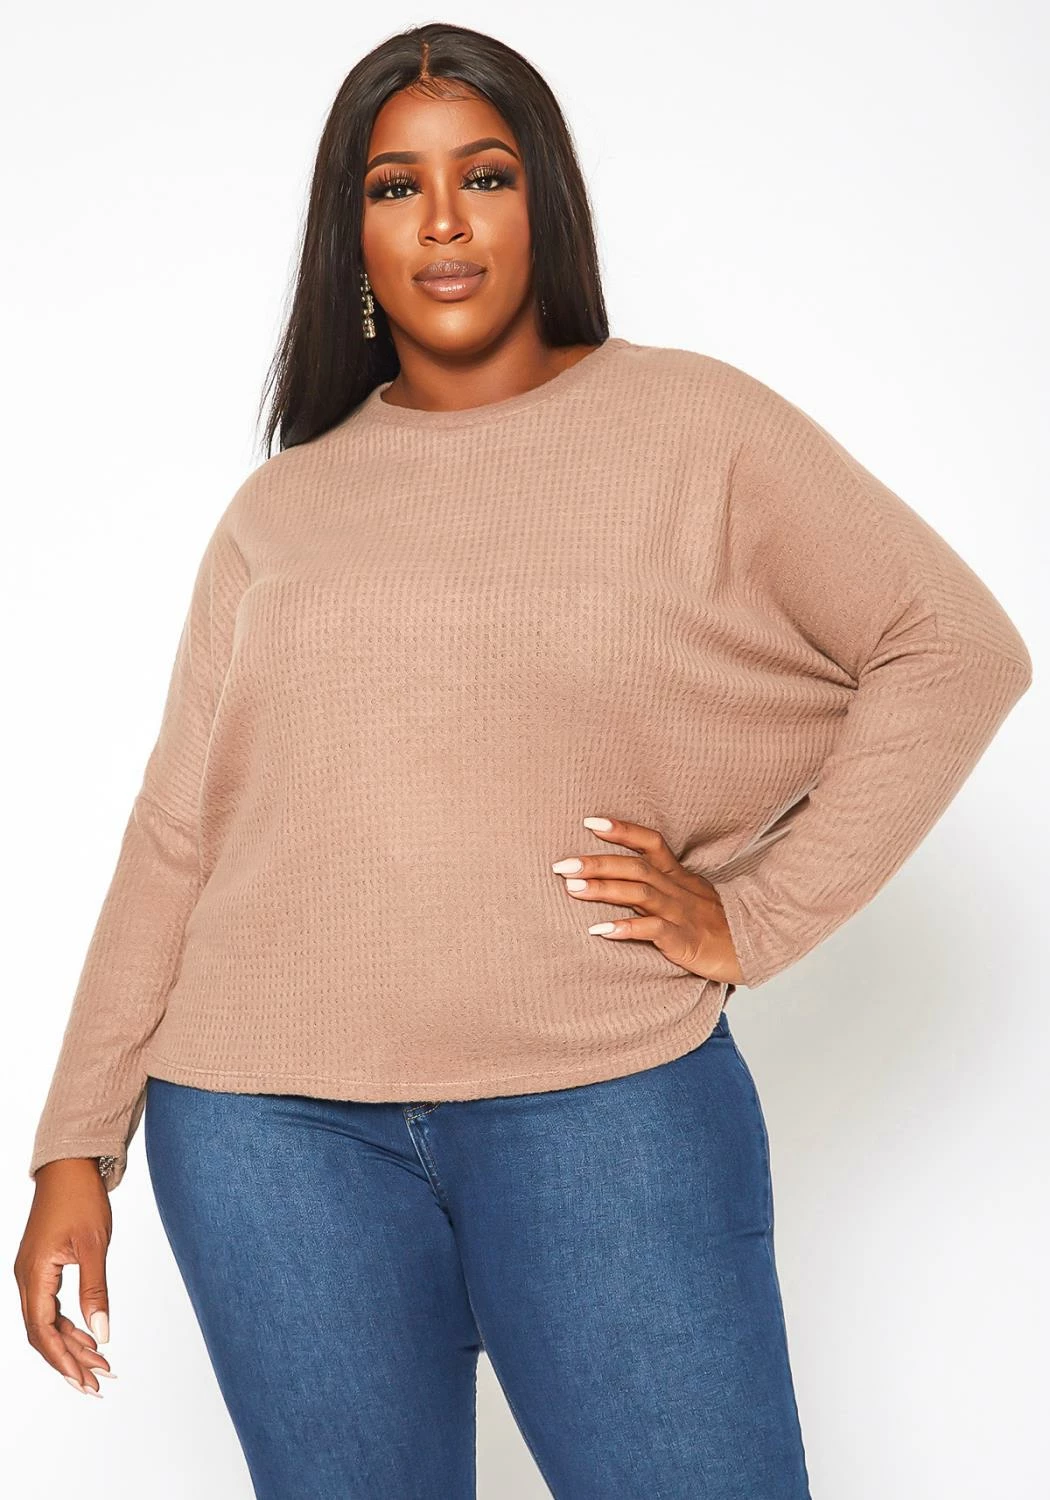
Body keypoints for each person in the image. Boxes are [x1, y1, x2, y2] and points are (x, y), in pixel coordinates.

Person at [15, 22, 1032, 1500]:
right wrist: (76, 1145)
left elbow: (952, 646)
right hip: (261, 1134)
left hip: (604, 1101)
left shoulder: (694, 426)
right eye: (395, 187)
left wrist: (755, 917)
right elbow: (180, 830)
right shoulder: (282, 512)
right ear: (351, 233)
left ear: (541, 200)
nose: (441, 221)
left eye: (482, 176)